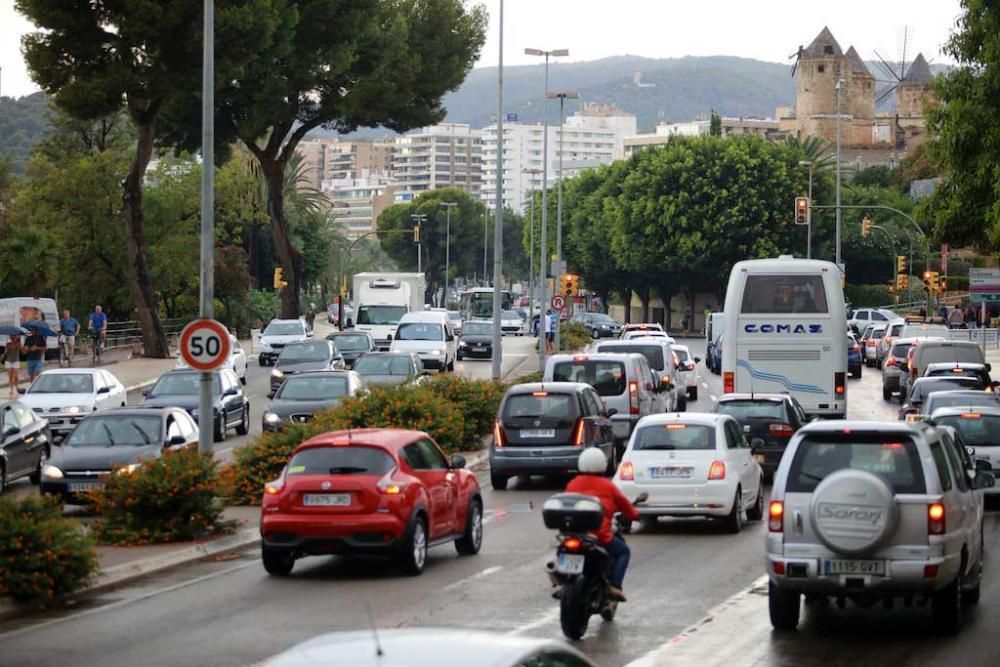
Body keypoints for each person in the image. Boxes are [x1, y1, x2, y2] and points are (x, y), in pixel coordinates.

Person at [564, 448, 640, 601]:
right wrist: (635, 515)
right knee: (623, 552)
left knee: (564, 548)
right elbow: (628, 509)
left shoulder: (573, 484)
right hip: (599, 536)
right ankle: (615, 586)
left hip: (575, 533)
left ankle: (562, 580)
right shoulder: (607, 486)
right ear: (602, 465)